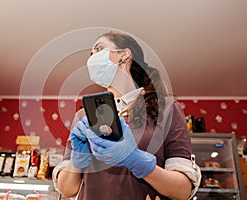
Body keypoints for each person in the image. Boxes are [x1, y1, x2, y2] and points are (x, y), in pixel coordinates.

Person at [52, 31, 201, 200]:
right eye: (91, 54)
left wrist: (137, 161)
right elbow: (66, 190)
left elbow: (182, 191)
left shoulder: (166, 109)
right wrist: (77, 160)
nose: (92, 58)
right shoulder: (84, 116)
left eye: (99, 49)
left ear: (124, 55)